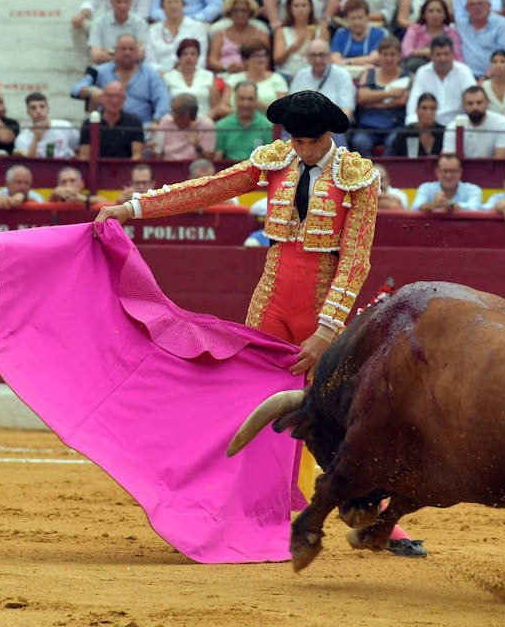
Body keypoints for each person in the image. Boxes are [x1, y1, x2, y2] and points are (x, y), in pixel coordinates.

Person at [92, 90, 386, 394]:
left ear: (329, 134)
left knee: (320, 409)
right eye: (299, 142)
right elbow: (210, 188)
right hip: (271, 299)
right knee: (253, 397)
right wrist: (131, 208)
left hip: (320, 307)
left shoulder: (357, 175)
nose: (307, 151)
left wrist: (326, 330)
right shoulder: (277, 160)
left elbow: (355, 259)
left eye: (315, 142)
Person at [74, 34, 171, 122]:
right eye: (123, 49)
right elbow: (75, 89)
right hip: (107, 127)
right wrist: (91, 90)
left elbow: (163, 100)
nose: (127, 52)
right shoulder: (100, 71)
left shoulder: (151, 74)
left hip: (143, 129)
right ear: (115, 51)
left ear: (137, 52)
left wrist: (157, 121)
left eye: (131, 49)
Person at [288, 39, 356, 125]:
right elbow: (292, 107)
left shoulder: (342, 75)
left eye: (321, 55)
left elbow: (347, 110)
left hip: (332, 127)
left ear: (329, 56)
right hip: (304, 126)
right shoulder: (300, 76)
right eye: (313, 55)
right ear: (307, 57)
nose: (318, 60)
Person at [77, 81, 146, 160]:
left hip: (125, 170)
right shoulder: (89, 123)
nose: (115, 101)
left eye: (119, 96)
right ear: (102, 97)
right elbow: (84, 156)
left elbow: (137, 156)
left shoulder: (134, 123)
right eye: (110, 96)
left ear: (124, 99)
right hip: (96, 170)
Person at [441, 85, 505, 159]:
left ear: (487, 103)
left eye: (479, 103)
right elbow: (448, 161)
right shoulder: (453, 127)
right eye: (470, 103)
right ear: (463, 105)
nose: (474, 107)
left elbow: (501, 162)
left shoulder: (502, 124)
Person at [146, 0, 209, 72]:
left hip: (190, 76)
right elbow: (150, 63)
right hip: (160, 77)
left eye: (176, 2)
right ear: (162, 6)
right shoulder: (153, 30)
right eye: (169, 2)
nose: (173, 5)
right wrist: (166, 75)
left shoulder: (197, 27)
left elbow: (201, 60)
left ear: (183, 4)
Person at [164, 37, 226, 119]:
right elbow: (165, 107)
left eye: (193, 54)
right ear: (179, 57)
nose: (188, 57)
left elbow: (215, 107)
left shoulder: (208, 76)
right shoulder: (168, 77)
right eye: (184, 54)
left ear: (198, 57)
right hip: (176, 124)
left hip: (204, 123)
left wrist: (203, 123)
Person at [272, 0, 328, 81]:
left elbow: (325, 59)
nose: (300, 9)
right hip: (286, 75)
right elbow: (277, 61)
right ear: (290, 9)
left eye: (304, 5)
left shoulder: (321, 31)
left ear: (310, 8)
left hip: (313, 76)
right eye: (296, 6)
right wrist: (292, 47)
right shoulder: (282, 31)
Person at [89, 0, 150, 67]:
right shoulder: (99, 23)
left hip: (132, 70)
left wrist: (110, 52)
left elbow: (140, 56)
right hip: (105, 70)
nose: (122, 6)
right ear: (111, 2)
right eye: (118, 1)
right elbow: (96, 57)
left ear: (131, 2)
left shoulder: (140, 23)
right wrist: (128, 55)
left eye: (126, 1)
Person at [215, 80, 273, 162]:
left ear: (256, 99)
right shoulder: (221, 126)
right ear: (235, 99)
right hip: (230, 170)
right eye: (242, 98)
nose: (246, 104)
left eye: (250, 99)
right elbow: (217, 159)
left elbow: (269, 159)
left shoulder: (268, 126)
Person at [149, 92, 216, 162]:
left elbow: (209, 160)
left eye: (176, 112)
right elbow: (159, 155)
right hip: (169, 165)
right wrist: (155, 151)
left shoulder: (207, 125)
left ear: (189, 114)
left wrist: (197, 146)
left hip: (195, 168)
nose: (172, 116)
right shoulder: (166, 120)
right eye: (172, 111)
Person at [14, 92, 77, 159]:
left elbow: (80, 152)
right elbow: (27, 164)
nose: (38, 110)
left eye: (42, 106)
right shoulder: (22, 138)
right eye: (33, 108)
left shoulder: (65, 126)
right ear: (28, 112)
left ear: (47, 108)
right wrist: (36, 139)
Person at [411, 152, 482, 211]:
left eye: (453, 171)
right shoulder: (426, 188)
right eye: (445, 171)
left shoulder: (473, 190)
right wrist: (432, 205)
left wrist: (450, 206)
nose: (448, 176)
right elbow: (415, 208)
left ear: (460, 172)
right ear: (437, 172)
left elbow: (475, 208)